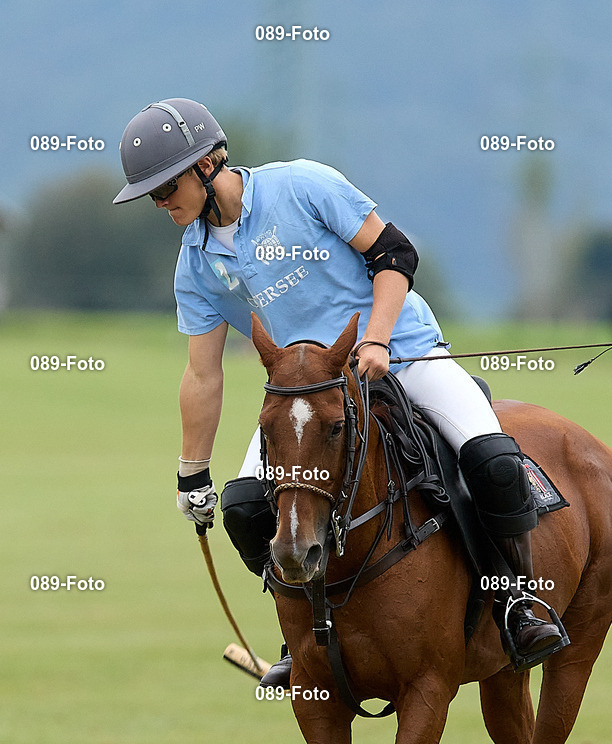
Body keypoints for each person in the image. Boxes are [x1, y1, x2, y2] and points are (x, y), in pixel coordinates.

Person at [113, 97, 567, 683]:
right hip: (308, 393)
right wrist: (192, 472)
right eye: (149, 195)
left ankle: (517, 605)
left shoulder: (304, 186)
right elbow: (203, 372)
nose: (159, 202)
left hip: (399, 354)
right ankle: (299, 634)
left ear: (206, 165)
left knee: (493, 460)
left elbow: (395, 255)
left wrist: (375, 339)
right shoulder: (195, 264)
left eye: (165, 186)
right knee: (246, 508)